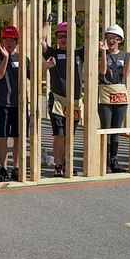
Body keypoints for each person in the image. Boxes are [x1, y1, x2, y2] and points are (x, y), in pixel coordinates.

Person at [41, 21, 83, 178]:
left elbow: (90, 38)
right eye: (60, 36)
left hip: (75, 102)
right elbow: (41, 41)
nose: (63, 39)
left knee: (70, 135)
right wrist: (46, 24)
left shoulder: (79, 54)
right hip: (58, 100)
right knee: (59, 134)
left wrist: (84, 22)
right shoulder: (53, 53)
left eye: (66, 36)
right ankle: (58, 165)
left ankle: (68, 163)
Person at [0, 25, 30, 182]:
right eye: (6, 39)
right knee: (2, 136)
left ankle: (16, 168)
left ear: (16, 41)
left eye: (12, 40)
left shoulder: (23, 59)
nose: (9, 43)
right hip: (1, 103)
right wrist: (5, 58)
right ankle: (3, 168)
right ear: (2, 41)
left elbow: (33, 76)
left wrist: (46, 66)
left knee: (18, 137)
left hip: (18, 104)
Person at [98, 24, 130, 173]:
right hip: (105, 93)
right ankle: (103, 159)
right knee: (106, 129)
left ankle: (113, 159)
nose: (112, 41)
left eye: (115, 39)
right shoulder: (101, 53)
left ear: (120, 40)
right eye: (109, 38)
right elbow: (102, 71)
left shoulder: (124, 55)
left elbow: (127, 73)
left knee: (116, 130)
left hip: (120, 94)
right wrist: (103, 53)